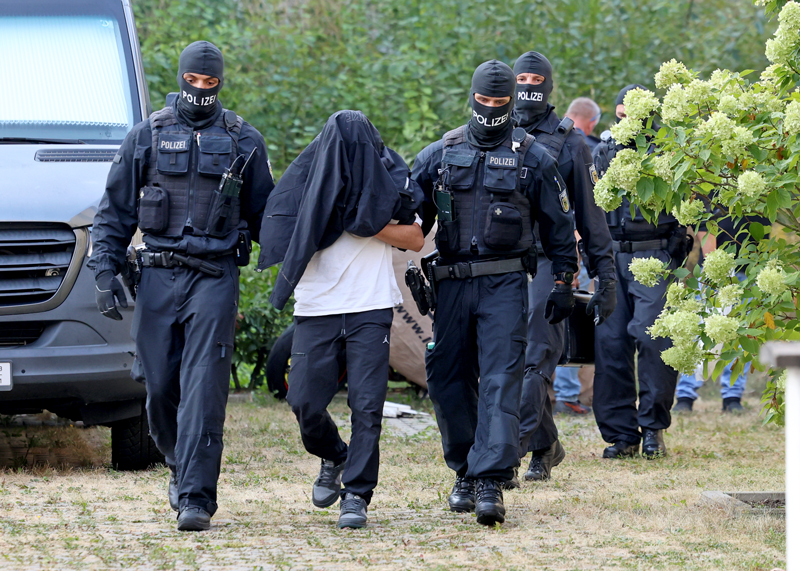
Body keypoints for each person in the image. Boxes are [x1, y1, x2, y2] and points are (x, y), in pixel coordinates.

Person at [89, 41, 274, 531]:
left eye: (210, 83)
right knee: (159, 388)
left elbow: (269, 217)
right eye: (193, 80)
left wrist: (303, 254)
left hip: (214, 277)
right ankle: (177, 462)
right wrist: (104, 271)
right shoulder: (146, 135)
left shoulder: (244, 140)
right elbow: (113, 211)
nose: (200, 89)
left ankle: (196, 496)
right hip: (156, 275)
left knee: (205, 388)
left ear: (221, 83)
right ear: (181, 77)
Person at [412, 60, 578, 525]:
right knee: (447, 377)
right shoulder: (440, 154)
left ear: (511, 102)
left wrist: (564, 282)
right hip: (450, 284)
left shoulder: (533, 158)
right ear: (472, 98)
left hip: (504, 283)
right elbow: (406, 213)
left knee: (502, 380)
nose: (490, 109)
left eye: (499, 102)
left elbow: (560, 227)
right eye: (483, 100)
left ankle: (490, 480)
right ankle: (464, 471)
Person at [258, 110, 424, 529]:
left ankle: (357, 495)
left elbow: (415, 237)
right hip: (316, 308)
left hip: (371, 306)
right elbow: (277, 228)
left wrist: (367, 223)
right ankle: (334, 455)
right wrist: (327, 215)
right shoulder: (305, 182)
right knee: (303, 402)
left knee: (367, 406)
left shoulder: (390, 182)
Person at [511, 51, 616, 483]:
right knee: (508, 362)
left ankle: (508, 454)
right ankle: (546, 445)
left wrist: (605, 275)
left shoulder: (569, 141)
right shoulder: (496, 132)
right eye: (521, 78)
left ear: (549, 84)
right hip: (499, 264)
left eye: (537, 79)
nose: (528, 86)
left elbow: (591, 216)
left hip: (549, 263)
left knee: (536, 358)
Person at [591, 85, 686, 460]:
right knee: (611, 345)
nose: (629, 122)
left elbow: (690, 203)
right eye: (622, 114)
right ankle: (621, 434)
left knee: (654, 340)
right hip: (612, 255)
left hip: (655, 253)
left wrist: (681, 238)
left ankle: (653, 428)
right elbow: (590, 206)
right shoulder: (602, 152)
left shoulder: (670, 151)